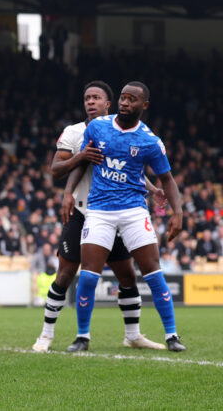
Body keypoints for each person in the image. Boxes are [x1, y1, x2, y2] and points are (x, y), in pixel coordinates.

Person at [33, 81, 166, 352]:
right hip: (82, 210)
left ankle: (133, 335)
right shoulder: (73, 132)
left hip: (115, 211)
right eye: (86, 98)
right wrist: (77, 163)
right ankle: (46, 335)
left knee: (127, 275)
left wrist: (153, 189)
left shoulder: (117, 131)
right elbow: (55, 169)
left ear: (109, 104)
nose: (90, 102)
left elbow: (132, 170)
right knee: (67, 272)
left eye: (96, 98)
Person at [67, 82, 186, 352]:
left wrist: (177, 213)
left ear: (143, 106)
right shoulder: (97, 127)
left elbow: (166, 178)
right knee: (87, 276)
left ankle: (172, 335)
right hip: (98, 210)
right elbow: (84, 161)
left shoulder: (150, 141)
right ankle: (82, 337)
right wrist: (68, 192)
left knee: (154, 274)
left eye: (132, 100)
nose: (124, 103)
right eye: (122, 97)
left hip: (133, 211)